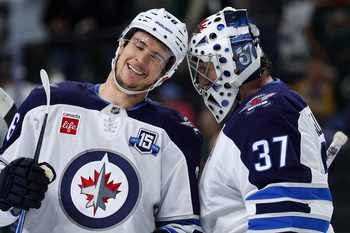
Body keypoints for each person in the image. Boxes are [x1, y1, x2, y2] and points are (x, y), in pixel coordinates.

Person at [0, 8, 203, 233]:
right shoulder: (48, 101)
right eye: (139, 44)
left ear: (166, 74)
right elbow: (4, 204)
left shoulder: (176, 134)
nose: (141, 59)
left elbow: (184, 225)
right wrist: (6, 195)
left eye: (156, 57)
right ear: (122, 44)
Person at [187, 7, 334, 232]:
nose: (202, 81)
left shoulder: (264, 114)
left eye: (206, 69)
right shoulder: (265, 107)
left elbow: (287, 221)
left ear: (233, 59)